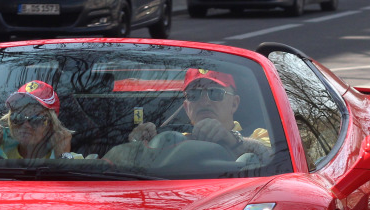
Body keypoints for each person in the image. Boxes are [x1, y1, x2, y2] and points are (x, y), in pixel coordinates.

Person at [109, 69, 271, 164]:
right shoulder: (171, 143)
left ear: (234, 104)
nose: (205, 100)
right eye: (194, 94)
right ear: (186, 107)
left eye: (215, 92)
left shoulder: (257, 136)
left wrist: (231, 139)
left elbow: (273, 159)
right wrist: (137, 147)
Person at [0, 81, 77, 161]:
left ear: (51, 125)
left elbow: (76, 192)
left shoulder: (77, 161)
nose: (26, 125)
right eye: (17, 117)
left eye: (36, 119)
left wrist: (63, 156)